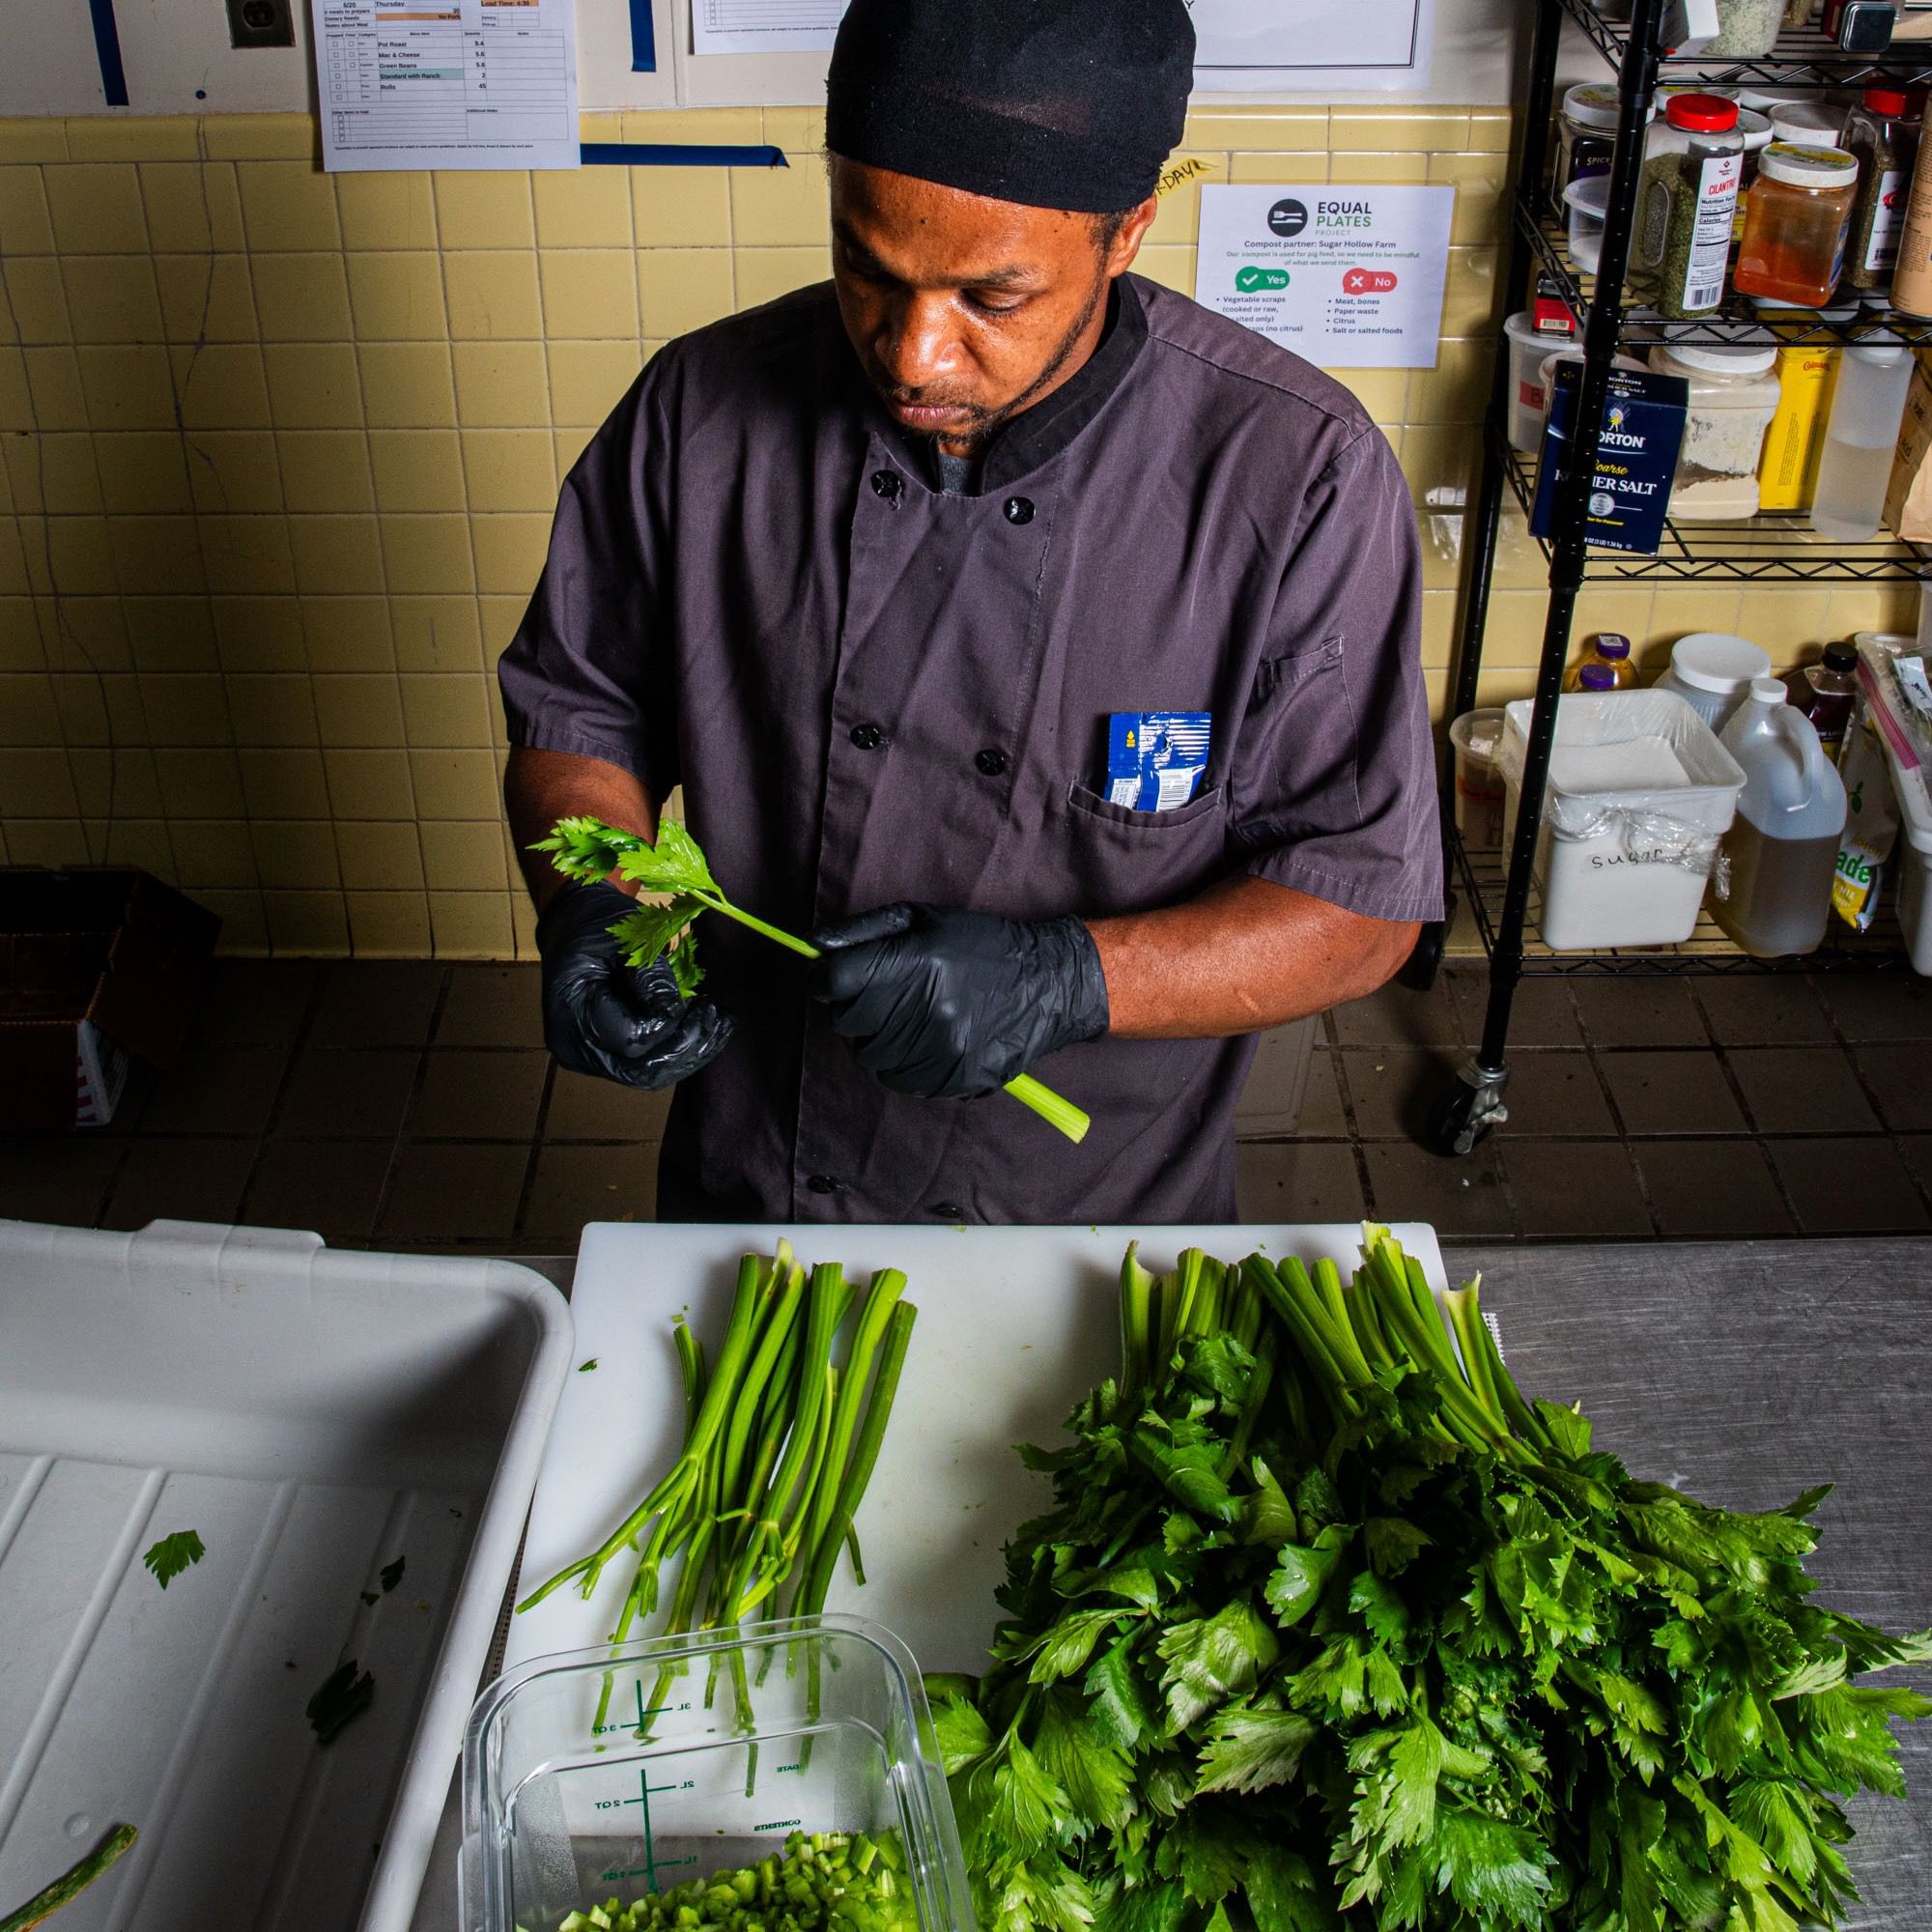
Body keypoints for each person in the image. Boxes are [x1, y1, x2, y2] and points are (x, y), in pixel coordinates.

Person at [499, 0, 1441, 1224]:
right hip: (752, 1178)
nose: (912, 355)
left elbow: (1359, 905)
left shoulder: (1293, 475)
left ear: (1127, 233)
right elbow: (582, 708)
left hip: (1088, 1212)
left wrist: (1068, 979)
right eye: (867, 272)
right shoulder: (699, 411)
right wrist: (599, 898)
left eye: (990, 300)